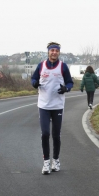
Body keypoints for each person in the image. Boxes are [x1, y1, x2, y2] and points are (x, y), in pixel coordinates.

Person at [31, 42, 74, 175]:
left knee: (56, 135)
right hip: (43, 105)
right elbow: (33, 79)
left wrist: (66, 88)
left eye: (56, 50)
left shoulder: (63, 66)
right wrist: (35, 83)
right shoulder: (41, 65)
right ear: (48, 52)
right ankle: (46, 162)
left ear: (59, 52)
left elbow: (70, 82)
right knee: (45, 134)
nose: (54, 52)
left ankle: (55, 160)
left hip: (57, 106)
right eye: (52, 50)